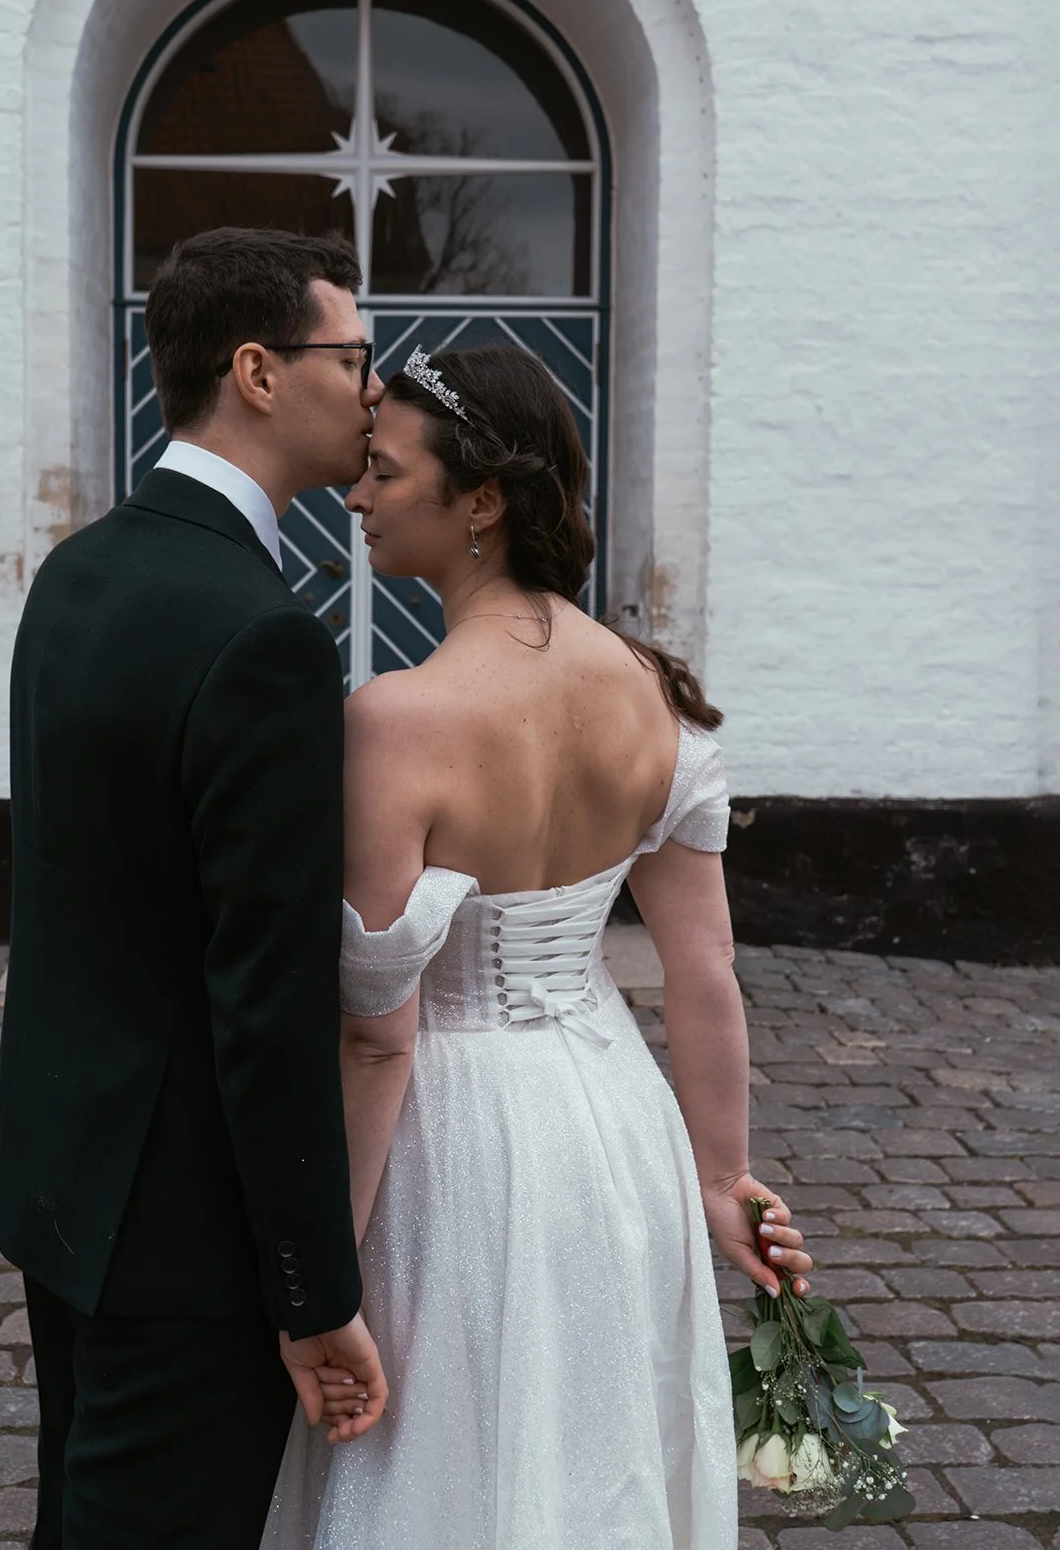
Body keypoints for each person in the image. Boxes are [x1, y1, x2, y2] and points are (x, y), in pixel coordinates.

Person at [264, 343, 813, 1548]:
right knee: (589, 1453)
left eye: (386, 471)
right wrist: (723, 1178)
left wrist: (324, 1279)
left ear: (482, 502)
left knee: (445, 1465)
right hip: (617, 1134)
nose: (357, 496)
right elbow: (702, 969)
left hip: (451, 1148)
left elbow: (375, 1041)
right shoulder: (652, 698)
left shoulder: (394, 721)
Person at [0, 228, 389, 1550]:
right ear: (260, 372)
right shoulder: (259, 633)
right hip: (182, 1239)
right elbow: (263, 997)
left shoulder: (79, 571)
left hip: (62, 1182)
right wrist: (314, 1291)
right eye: (355, 357)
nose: (373, 391)